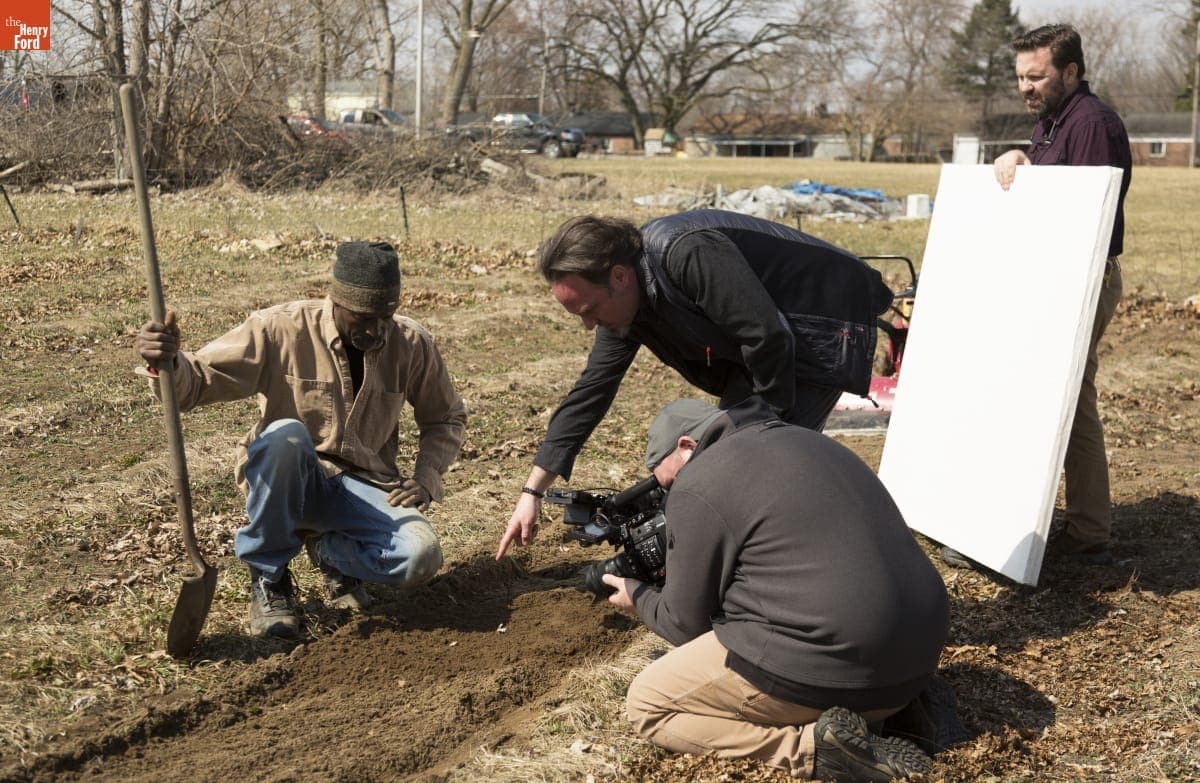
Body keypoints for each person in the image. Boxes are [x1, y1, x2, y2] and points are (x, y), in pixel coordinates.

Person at [497, 209, 893, 559]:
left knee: (766, 467)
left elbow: (767, 337)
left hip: (816, 328)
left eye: (589, 310)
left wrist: (753, 436)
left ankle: (825, 556)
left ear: (618, 276)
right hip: (764, 346)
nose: (587, 324)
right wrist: (532, 492)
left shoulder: (685, 253)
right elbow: (592, 390)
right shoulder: (625, 300)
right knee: (734, 461)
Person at [596, 398, 951, 781]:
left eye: (664, 479)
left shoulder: (699, 481)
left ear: (686, 446)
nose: (667, 491)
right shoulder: (809, 441)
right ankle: (904, 712)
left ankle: (819, 752)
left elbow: (684, 624)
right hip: (920, 654)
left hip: (844, 668)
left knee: (648, 702)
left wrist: (639, 596)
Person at [135, 241, 467, 638]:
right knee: (286, 436)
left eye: (385, 317)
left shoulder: (411, 343)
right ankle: (269, 577)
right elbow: (199, 381)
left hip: (362, 486)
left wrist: (428, 476)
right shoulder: (280, 328)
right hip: (287, 481)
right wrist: (168, 362)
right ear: (336, 301)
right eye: (362, 318)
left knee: (420, 556)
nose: (375, 330)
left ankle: (333, 556)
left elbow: (445, 416)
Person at [944, 23, 1130, 570]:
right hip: (1051, 277)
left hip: (1082, 278)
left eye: (1037, 76)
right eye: (1021, 77)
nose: (1026, 87)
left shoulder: (1092, 123)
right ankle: (1077, 531)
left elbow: (1085, 216)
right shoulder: (1052, 121)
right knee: (1061, 403)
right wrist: (1019, 162)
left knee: (1059, 402)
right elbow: (1046, 194)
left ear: (1070, 71)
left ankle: (1074, 535)